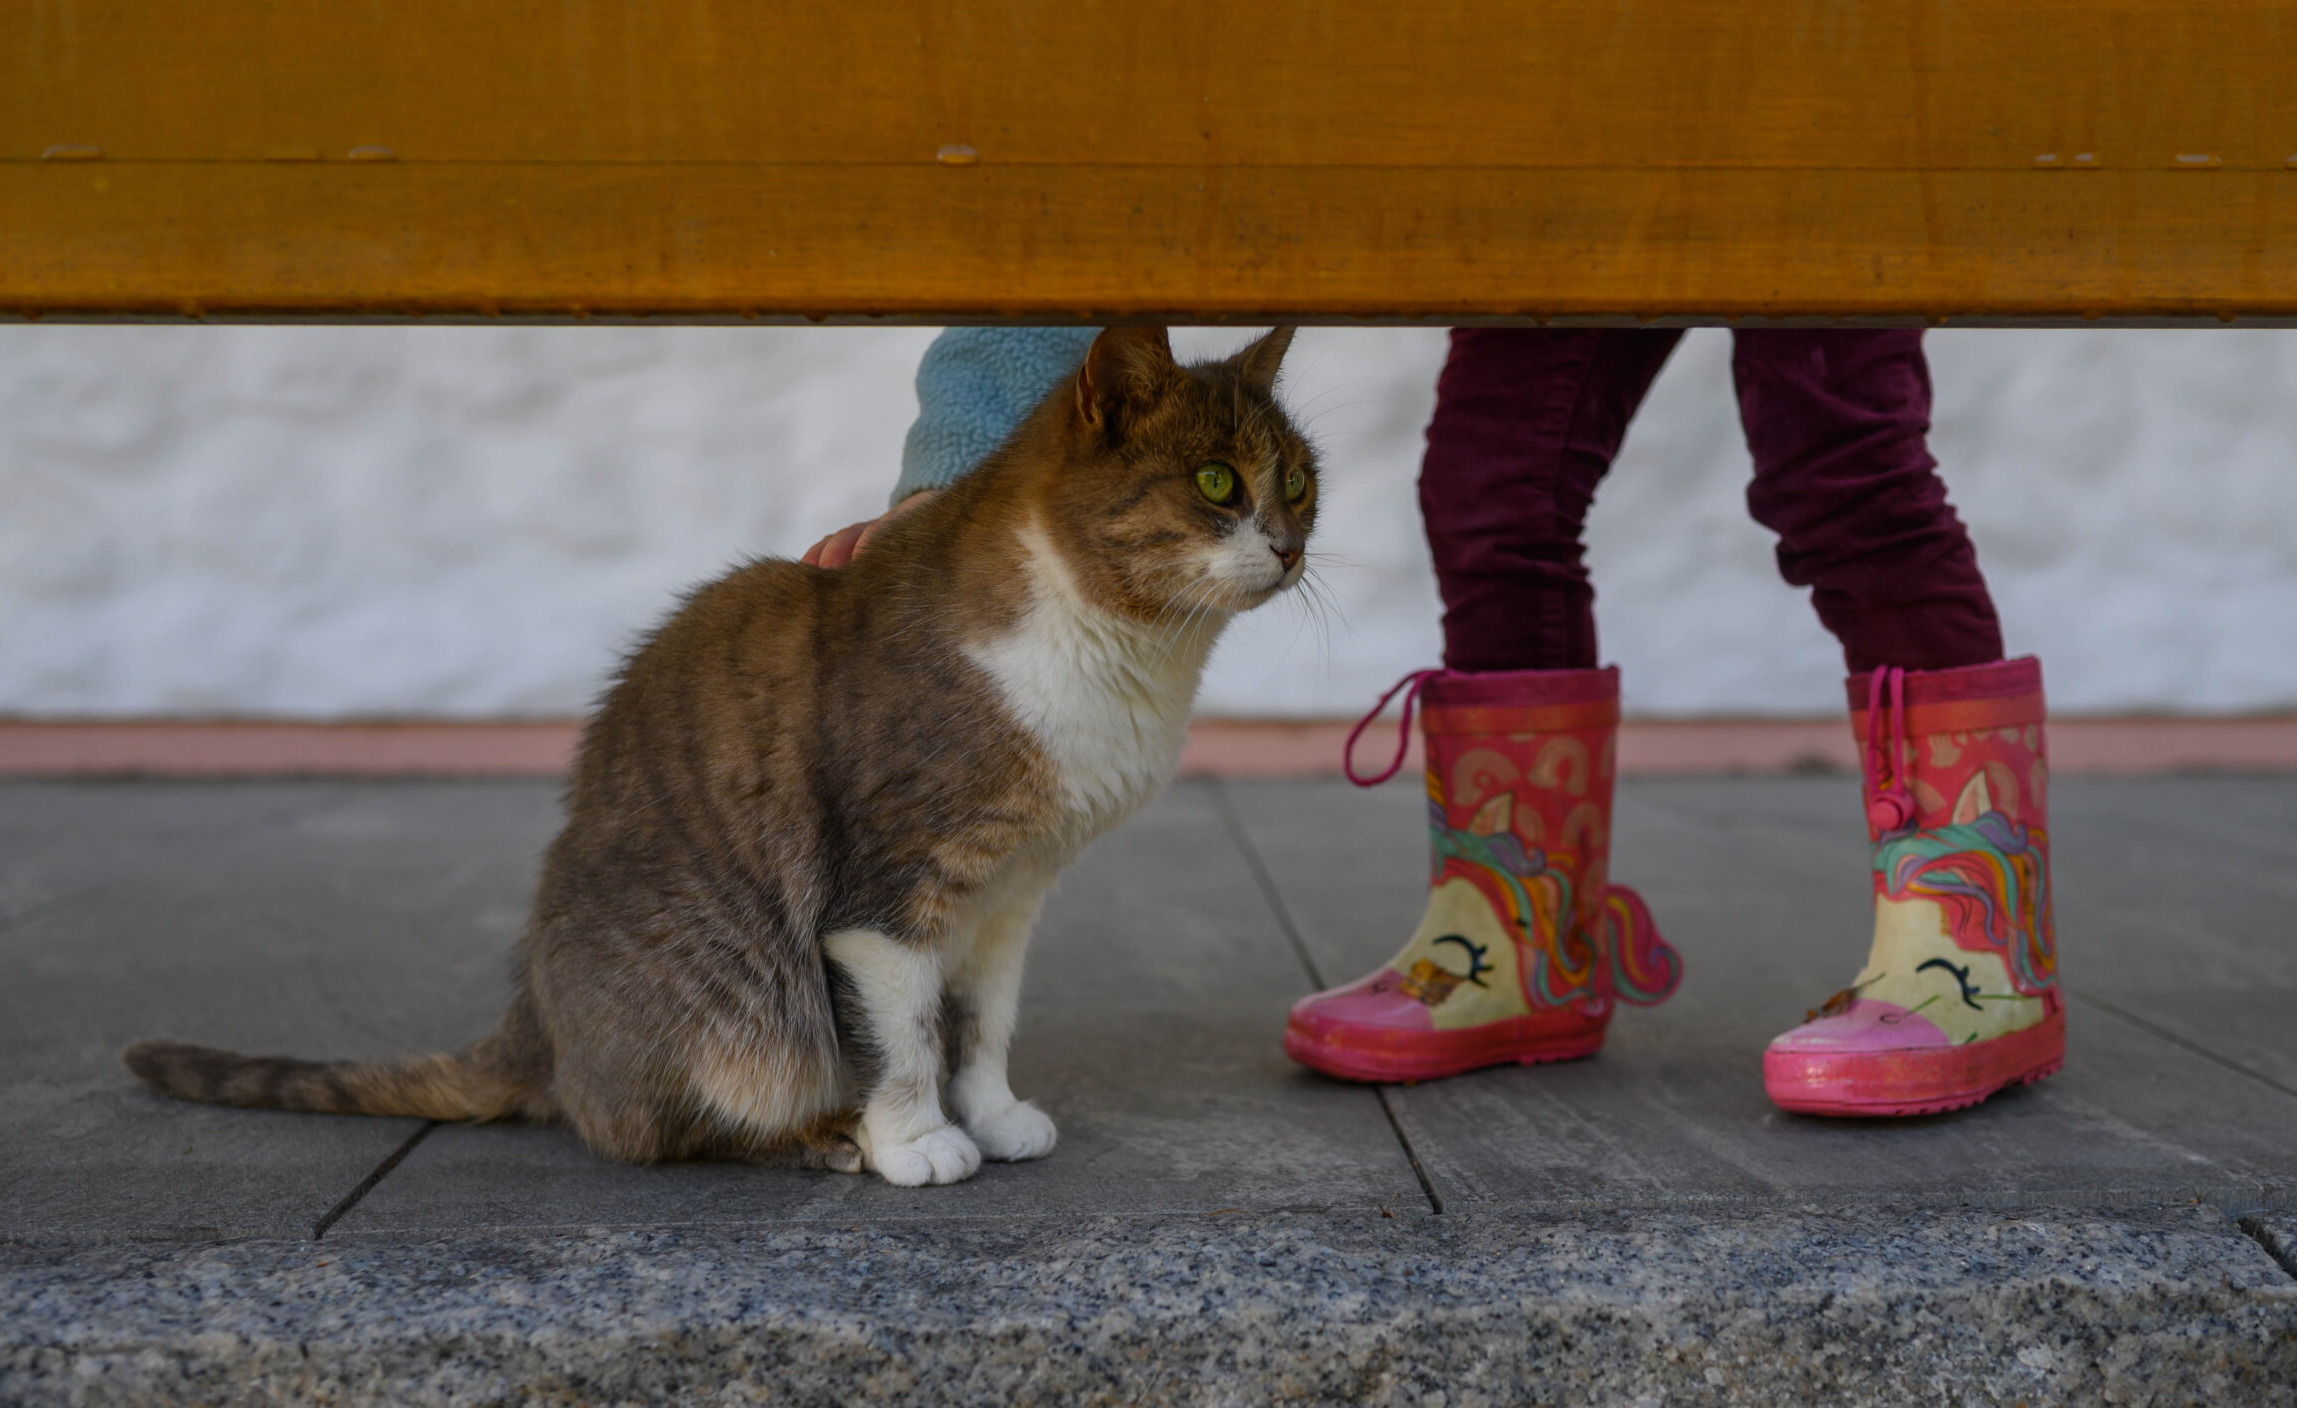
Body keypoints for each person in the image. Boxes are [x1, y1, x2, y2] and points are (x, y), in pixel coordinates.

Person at [812, 326, 2063, 1119]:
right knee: (1493, 484)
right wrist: (962, 483)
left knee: (1839, 466)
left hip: (1814, 66)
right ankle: (1525, 949)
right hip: (1577, 111)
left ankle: (1978, 956)